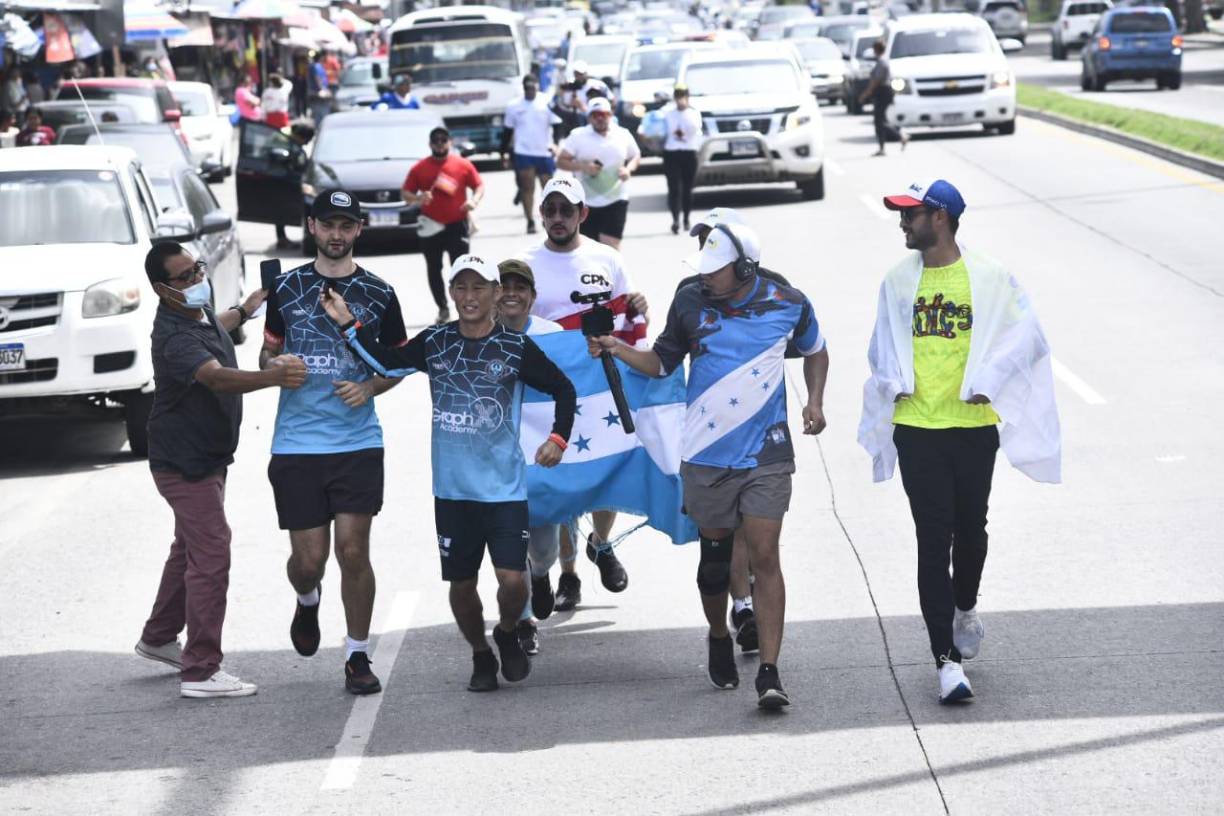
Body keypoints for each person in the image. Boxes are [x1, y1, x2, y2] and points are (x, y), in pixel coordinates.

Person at [587, 221, 829, 709]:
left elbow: (816, 350)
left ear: (743, 268)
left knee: (765, 555)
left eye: (713, 271)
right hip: (706, 456)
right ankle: (719, 632)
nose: (704, 278)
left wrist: (815, 401)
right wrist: (617, 348)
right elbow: (661, 363)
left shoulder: (789, 302)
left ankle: (770, 672)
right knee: (714, 564)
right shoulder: (690, 302)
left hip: (767, 453)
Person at [320, 254, 577, 692]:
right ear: (452, 293)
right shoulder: (436, 341)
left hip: (504, 489)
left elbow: (564, 389)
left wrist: (557, 440)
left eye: (480, 287)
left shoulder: (514, 347)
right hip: (453, 491)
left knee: (513, 581)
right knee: (462, 584)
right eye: (461, 287)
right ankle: (479, 652)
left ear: (496, 294)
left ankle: (508, 628)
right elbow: (385, 363)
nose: (470, 296)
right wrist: (349, 326)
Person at [860, 179, 1061, 703]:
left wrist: (989, 381)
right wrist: (891, 382)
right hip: (918, 428)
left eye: (911, 214)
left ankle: (964, 603)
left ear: (941, 218)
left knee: (971, 530)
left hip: (973, 430)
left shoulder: (990, 278)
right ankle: (946, 662)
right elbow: (881, 347)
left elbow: (1028, 336)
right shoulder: (897, 281)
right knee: (933, 536)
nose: (903, 223)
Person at [135, 243, 306, 699]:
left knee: (188, 546)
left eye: (198, 270)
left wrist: (247, 308)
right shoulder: (175, 337)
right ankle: (201, 670)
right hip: (183, 463)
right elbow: (215, 375)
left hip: (205, 455)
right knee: (212, 553)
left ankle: (158, 637)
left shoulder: (197, 316)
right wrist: (273, 377)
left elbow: (217, 326)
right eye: (185, 277)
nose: (196, 281)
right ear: (161, 290)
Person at [259, 188, 408, 696]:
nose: (337, 235)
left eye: (346, 226)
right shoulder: (287, 288)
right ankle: (307, 600)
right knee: (309, 561)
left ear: (359, 229)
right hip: (297, 443)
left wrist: (369, 386)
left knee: (352, 551)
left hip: (357, 441)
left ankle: (357, 655)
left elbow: (399, 362)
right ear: (312, 227)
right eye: (329, 225)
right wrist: (274, 368)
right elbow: (266, 353)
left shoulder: (381, 292)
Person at [518, 176, 649, 610]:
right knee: (561, 481)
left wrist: (639, 312)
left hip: (601, 386)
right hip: (549, 391)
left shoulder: (606, 258)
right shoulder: (524, 262)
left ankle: (601, 542)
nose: (557, 218)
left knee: (605, 469)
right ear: (541, 213)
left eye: (566, 210)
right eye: (550, 209)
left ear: (582, 214)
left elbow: (627, 315)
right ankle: (568, 574)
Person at [679, 207, 804, 657]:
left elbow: (795, 345)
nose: (704, 251)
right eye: (701, 241)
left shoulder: (779, 291)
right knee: (723, 540)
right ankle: (737, 607)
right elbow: (671, 354)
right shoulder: (690, 293)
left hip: (762, 448)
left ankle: (752, 615)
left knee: (760, 544)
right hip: (710, 445)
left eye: (712, 239)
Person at [495, 258, 565, 655]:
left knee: (543, 548)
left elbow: (575, 387)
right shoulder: (479, 335)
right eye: (503, 285)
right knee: (509, 550)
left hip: (542, 459)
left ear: (533, 296)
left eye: (520, 287)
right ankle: (523, 621)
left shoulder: (553, 335)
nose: (511, 293)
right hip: (497, 462)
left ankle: (542, 576)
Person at [402, 126, 485, 325]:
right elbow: (405, 193)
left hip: (457, 224)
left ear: (450, 142)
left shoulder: (462, 164)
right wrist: (419, 197)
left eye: (443, 140)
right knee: (434, 268)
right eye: (436, 141)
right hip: (431, 226)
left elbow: (479, 186)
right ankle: (442, 308)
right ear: (430, 144)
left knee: (463, 270)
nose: (440, 144)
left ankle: (466, 308)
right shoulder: (420, 168)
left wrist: (473, 201)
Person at [557, 97, 641, 250]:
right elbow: (561, 161)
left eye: (603, 114)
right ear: (589, 117)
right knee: (589, 249)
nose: (600, 118)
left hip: (616, 199)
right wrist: (583, 166)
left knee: (610, 246)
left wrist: (628, 169)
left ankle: (612, 274)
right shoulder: (578, 135)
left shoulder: (622, 133)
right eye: (595, 115)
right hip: (586, 203)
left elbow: (635, 155)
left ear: (610, 115)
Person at [502, 74, 562, 235]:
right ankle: (529, 220)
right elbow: (507, 131)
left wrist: (556, 144)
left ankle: (547, 218)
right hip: (523, 151)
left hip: (544, 151)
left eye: (533, 88)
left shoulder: (547, 101)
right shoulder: (514, 105)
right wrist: (503, 153)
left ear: (537, 87)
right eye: (527, 88)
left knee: (548, 188)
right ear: (523, 88)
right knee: (527, 187)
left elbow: (557, 125)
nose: (530, 91)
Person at [661, 84, 703, 235]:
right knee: (674, 189)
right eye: (678, 95)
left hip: (689, 152)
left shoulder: (694, 113)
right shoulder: (667, 113)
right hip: (671, 153)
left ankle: (686, 218)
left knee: (687, 188)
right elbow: (656, 126)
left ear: (687, 96)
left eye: (683, 95)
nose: (680, 99)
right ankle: (675, 220)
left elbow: (695, 130)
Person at [858, 40, 908, 156]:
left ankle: (899, 136)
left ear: (876, 49)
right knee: (881, 121)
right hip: (883, 92)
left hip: (882, 92)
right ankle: (883, 146)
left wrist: (866, 94)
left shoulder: (881, 63)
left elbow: (876, 81)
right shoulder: (882, 61)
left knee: (879, 121)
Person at [308, 52, 332, 124]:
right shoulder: (316, 66)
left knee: (320, 112)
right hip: (317, 92)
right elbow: (317, 78)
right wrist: (323, 89)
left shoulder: (316, 66)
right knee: (320, 112)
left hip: (317, 91)